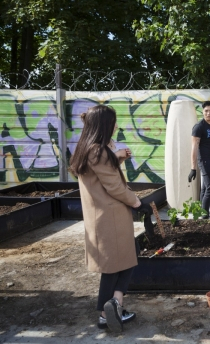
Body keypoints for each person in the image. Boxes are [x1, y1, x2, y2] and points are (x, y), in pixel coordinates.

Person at [69, 105, 141, 332]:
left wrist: (116, 157)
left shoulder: (86, 148)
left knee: (120, 262)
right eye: (113, 122)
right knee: (117, 264)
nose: (116, 125)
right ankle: (105, 312)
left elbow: (101, 175)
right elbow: (114, 186)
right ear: (103, 125)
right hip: (111, 214)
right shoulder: (97, 151)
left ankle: (115, 304)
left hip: (99, 214)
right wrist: (138, 202)